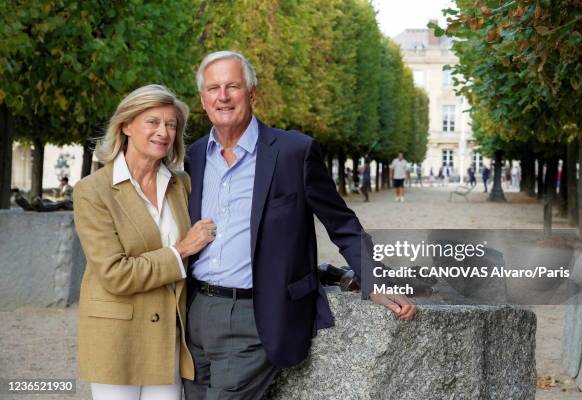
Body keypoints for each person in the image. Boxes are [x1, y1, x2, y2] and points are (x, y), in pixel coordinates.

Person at [183, 51, 416, 400]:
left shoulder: (295, 151)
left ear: (252, 93)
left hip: (257, 316)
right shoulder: (192, 157)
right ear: (203, 100)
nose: (223, 96)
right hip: (194, 313)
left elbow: (341, 223)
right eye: (213, 88)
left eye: (233, 85)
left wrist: (374, 278)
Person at [73, 85, 217, 400]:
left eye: (171, 124)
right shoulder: (92, 191)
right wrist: (180, 250)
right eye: (153, 122)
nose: (163, 132)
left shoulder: (182, 184)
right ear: (125, 125)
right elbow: (115, 273)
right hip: (117, 338)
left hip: (169, 336)